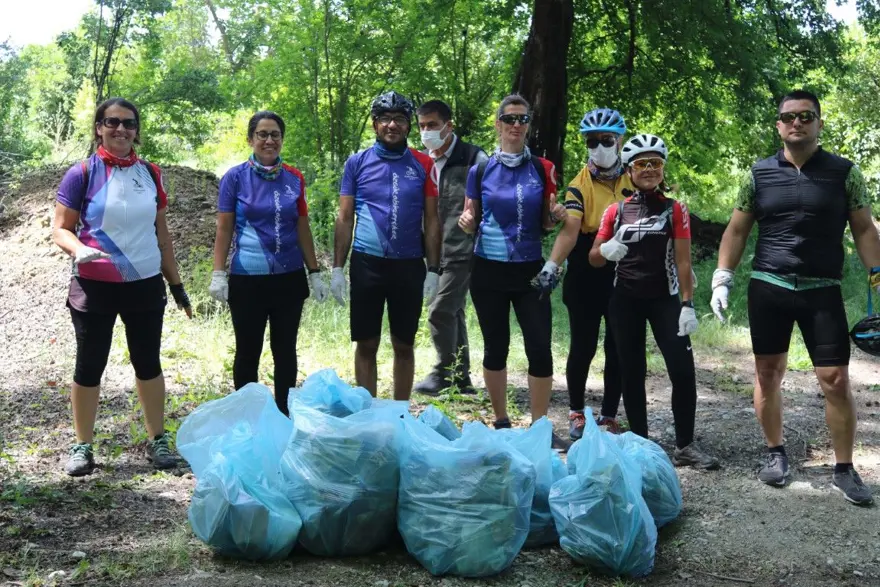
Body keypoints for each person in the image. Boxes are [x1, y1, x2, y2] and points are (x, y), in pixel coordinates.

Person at [711, 90, 880, 505]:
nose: (797, 123)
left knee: (835, 380)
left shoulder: (845, 173)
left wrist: (878, 275)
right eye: (789, 117)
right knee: (767, 373)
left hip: (822, 290)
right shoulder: (757, 174)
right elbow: (736, 230)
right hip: (769, 286)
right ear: (779, 126)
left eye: (807, 116)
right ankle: (775, 453)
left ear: (819, 123)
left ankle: (843, 469)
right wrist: (722, 276)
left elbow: (864, 228)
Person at [52, 97, 191, 477]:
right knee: (90, 364)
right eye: (112, 122)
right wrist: (79, 249)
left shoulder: (152, 173)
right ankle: (82, 444)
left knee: (148, 362)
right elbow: (61, 228)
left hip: (144, 284)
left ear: (137, 131)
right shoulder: (81, 173)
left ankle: (157, 438)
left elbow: (162, 235)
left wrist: (176, 284)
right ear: (99, 127)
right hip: (94, 284)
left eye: (129, 124)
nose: (120, 130)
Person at [589, 133, 719, 469]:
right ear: (629, 170)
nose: (649, 169)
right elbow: (593, 258)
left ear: (662, 169)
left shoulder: (675, 210)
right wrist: (604, 250)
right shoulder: (615, 211)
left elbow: (684, 263)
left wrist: (688, 306)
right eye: (642, 164)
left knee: (683, 371)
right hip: (625, 301)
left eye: (656, 163)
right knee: (632, 372)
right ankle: (641, 445)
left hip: (666, 300)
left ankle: (686, 446)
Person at [458, 93, 569, 450]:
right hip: (488, 270)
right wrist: (464, 221)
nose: (516, 126)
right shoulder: (481, 169)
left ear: (529, 126)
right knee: (496, 346)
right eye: (510, 119)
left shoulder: (542, 168)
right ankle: (502, 421)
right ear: (498, 124)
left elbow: (547, 223)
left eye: (523, 120)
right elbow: (470, 219)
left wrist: (557, 217)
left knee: (540, 347)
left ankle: (539, 426)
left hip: (529, 272)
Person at [208, 111, 328, 416]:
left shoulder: (294, 177)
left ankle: (284, 415)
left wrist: (314, 272)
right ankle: (248, 416)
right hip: (247, 278)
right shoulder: (234, 178)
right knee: (248, 351)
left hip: (289, 278)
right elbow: (224, 228)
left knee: (285, 351)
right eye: (262, 134)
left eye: (275, 134)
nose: (269, 140)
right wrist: (219, 273)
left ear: (282, 139)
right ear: (251, 139)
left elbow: (302, 226)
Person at [331, 91, 441, 400]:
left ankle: (400, 414)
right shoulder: (357, 163)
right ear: (374, 124)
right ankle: (367, 414)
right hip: (367, 263)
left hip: (408, 265)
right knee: (367, 343)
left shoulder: (423, 163)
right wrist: (338, 267)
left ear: (408, 126)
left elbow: (432, 219)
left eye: (399, 119)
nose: (391, 125)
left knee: (403, 344)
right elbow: (344, 217)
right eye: (384, 119)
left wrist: (434, 268)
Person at [543, 108, 632, 440]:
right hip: (585, 264)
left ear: (619, 140)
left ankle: (609, 416)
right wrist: (552, 265)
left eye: (606, 140)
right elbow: (570, 230)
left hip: (625, 266)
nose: (599, 147)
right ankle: (577, 412)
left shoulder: (634, 177)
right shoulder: (578, 185)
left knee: (618, 345)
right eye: (592, 141)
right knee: (583, 343)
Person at [412, 100, 488, 396]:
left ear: (448, 126)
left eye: (432, 125)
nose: (427, 131)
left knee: (440, 310)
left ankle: (444, 373)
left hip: (464, 249)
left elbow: (491, 197)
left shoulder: (473, 157)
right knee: (454, 311)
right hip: (431, 251)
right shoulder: (420, 162)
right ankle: (461, 377)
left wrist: (476, 220)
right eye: (422, 126)